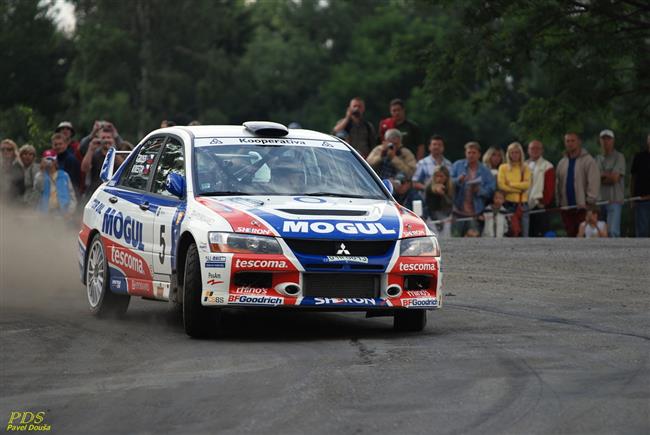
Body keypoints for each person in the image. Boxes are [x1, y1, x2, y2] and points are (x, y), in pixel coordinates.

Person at [556, 132, 600, 237]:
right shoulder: (562, 162)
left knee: (583, 235)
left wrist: (590, 201)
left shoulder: (589, 161)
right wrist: (558, 201)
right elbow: (558, 184)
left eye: (573, 141)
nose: (570, 143)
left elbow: (593, 181)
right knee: (570, 235)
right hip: (566, 207)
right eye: (567, 141)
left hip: (583, 207)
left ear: (579, 142)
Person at [450, 141, 496, 236]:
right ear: (465, 153)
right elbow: (448, 182)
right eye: (469, 152)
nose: (471, 155)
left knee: (473, 242)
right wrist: (458, 181)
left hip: (475, 212)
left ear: (479, 154)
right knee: (455, 240)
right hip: (457, 212)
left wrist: (479, 190)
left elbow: (491, 190)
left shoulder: (485, 171)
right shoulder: (457, 165)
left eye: (474, 153)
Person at [595, 129, 625, 237]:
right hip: (599, 201)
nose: (606, 141)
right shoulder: (597, 158)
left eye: (608, 139)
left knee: (613, 232)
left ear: (613, 141)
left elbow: (615, 179)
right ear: (600, 141)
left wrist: (602, 175)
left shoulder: (619, 157)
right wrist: (608, 175)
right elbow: (595, 178)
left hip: (615, 200)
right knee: (600, 233)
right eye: (603, 139)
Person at [497, 142, 531, 237]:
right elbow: (501, 186)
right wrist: (518, 190)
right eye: (512, 152)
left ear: (521, 154)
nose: (515, 155)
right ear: (508, 154)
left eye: (517, 152)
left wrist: (511, 184)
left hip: (522, 204)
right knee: (510, 233)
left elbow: (526, 185)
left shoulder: (525, 168)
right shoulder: (503, 167)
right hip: (508, 204)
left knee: (525, 234)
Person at [35, 150, 77, 219]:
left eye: (51, 159)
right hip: (45, 214)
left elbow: (72, 195)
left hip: (63, 214)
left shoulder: (64, 175)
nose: (49, 162)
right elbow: (37, 190)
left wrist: (70, 212)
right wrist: (42, 170)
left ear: (55, 161)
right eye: (47, 159)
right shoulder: (40, 176)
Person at [526, 140, 555, 237]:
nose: (535, 150)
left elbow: (549, 189)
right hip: (524, 206)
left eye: (538, 148)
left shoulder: (547, 166)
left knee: (539, 236)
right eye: (532, 148)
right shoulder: (524, 165)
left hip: (539, 206)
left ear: (542, 150)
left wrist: (542, 202)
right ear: (528, 150)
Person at [81, 127, 117, 198]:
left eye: (108, 137)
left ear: (113, 139)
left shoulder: (117, 154)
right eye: (103, 138)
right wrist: (90, 149)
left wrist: (113, 149)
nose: (106, 140)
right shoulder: (93, 153)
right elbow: (84, 169)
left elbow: (124, 166)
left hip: (112, 193)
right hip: (94, 193)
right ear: (99, 139)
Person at [425, 166, 453, 237]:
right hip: (432, 218)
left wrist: (443, 195)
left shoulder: (450, 187)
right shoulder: (429, 187)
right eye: (437, 176)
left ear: (446, 177)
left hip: (446, 216)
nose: (439, 179)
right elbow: (429, 203)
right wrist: (436, 191)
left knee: (446, 238)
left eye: (441, 176)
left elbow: (450, 203)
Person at [630, 134, 650, 237]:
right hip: (641, 200)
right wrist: (632, 198)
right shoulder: (639, 157)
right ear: (647, 141)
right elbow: (633, 179)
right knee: (642, 231)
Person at [51, 132, 81, 197]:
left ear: (66, 145)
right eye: (55, 144)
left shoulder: (71, 159)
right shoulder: (54, 160)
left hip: (70, 195)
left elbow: (74, 183)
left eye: (60, 144)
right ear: (52, 146)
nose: (58, 146)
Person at [0, 138, 25, 204]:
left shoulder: (18, 167)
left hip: (13, 204)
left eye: (9, 149)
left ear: (14, 152)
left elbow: (20, 190)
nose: (5, 151)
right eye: (2, 149)